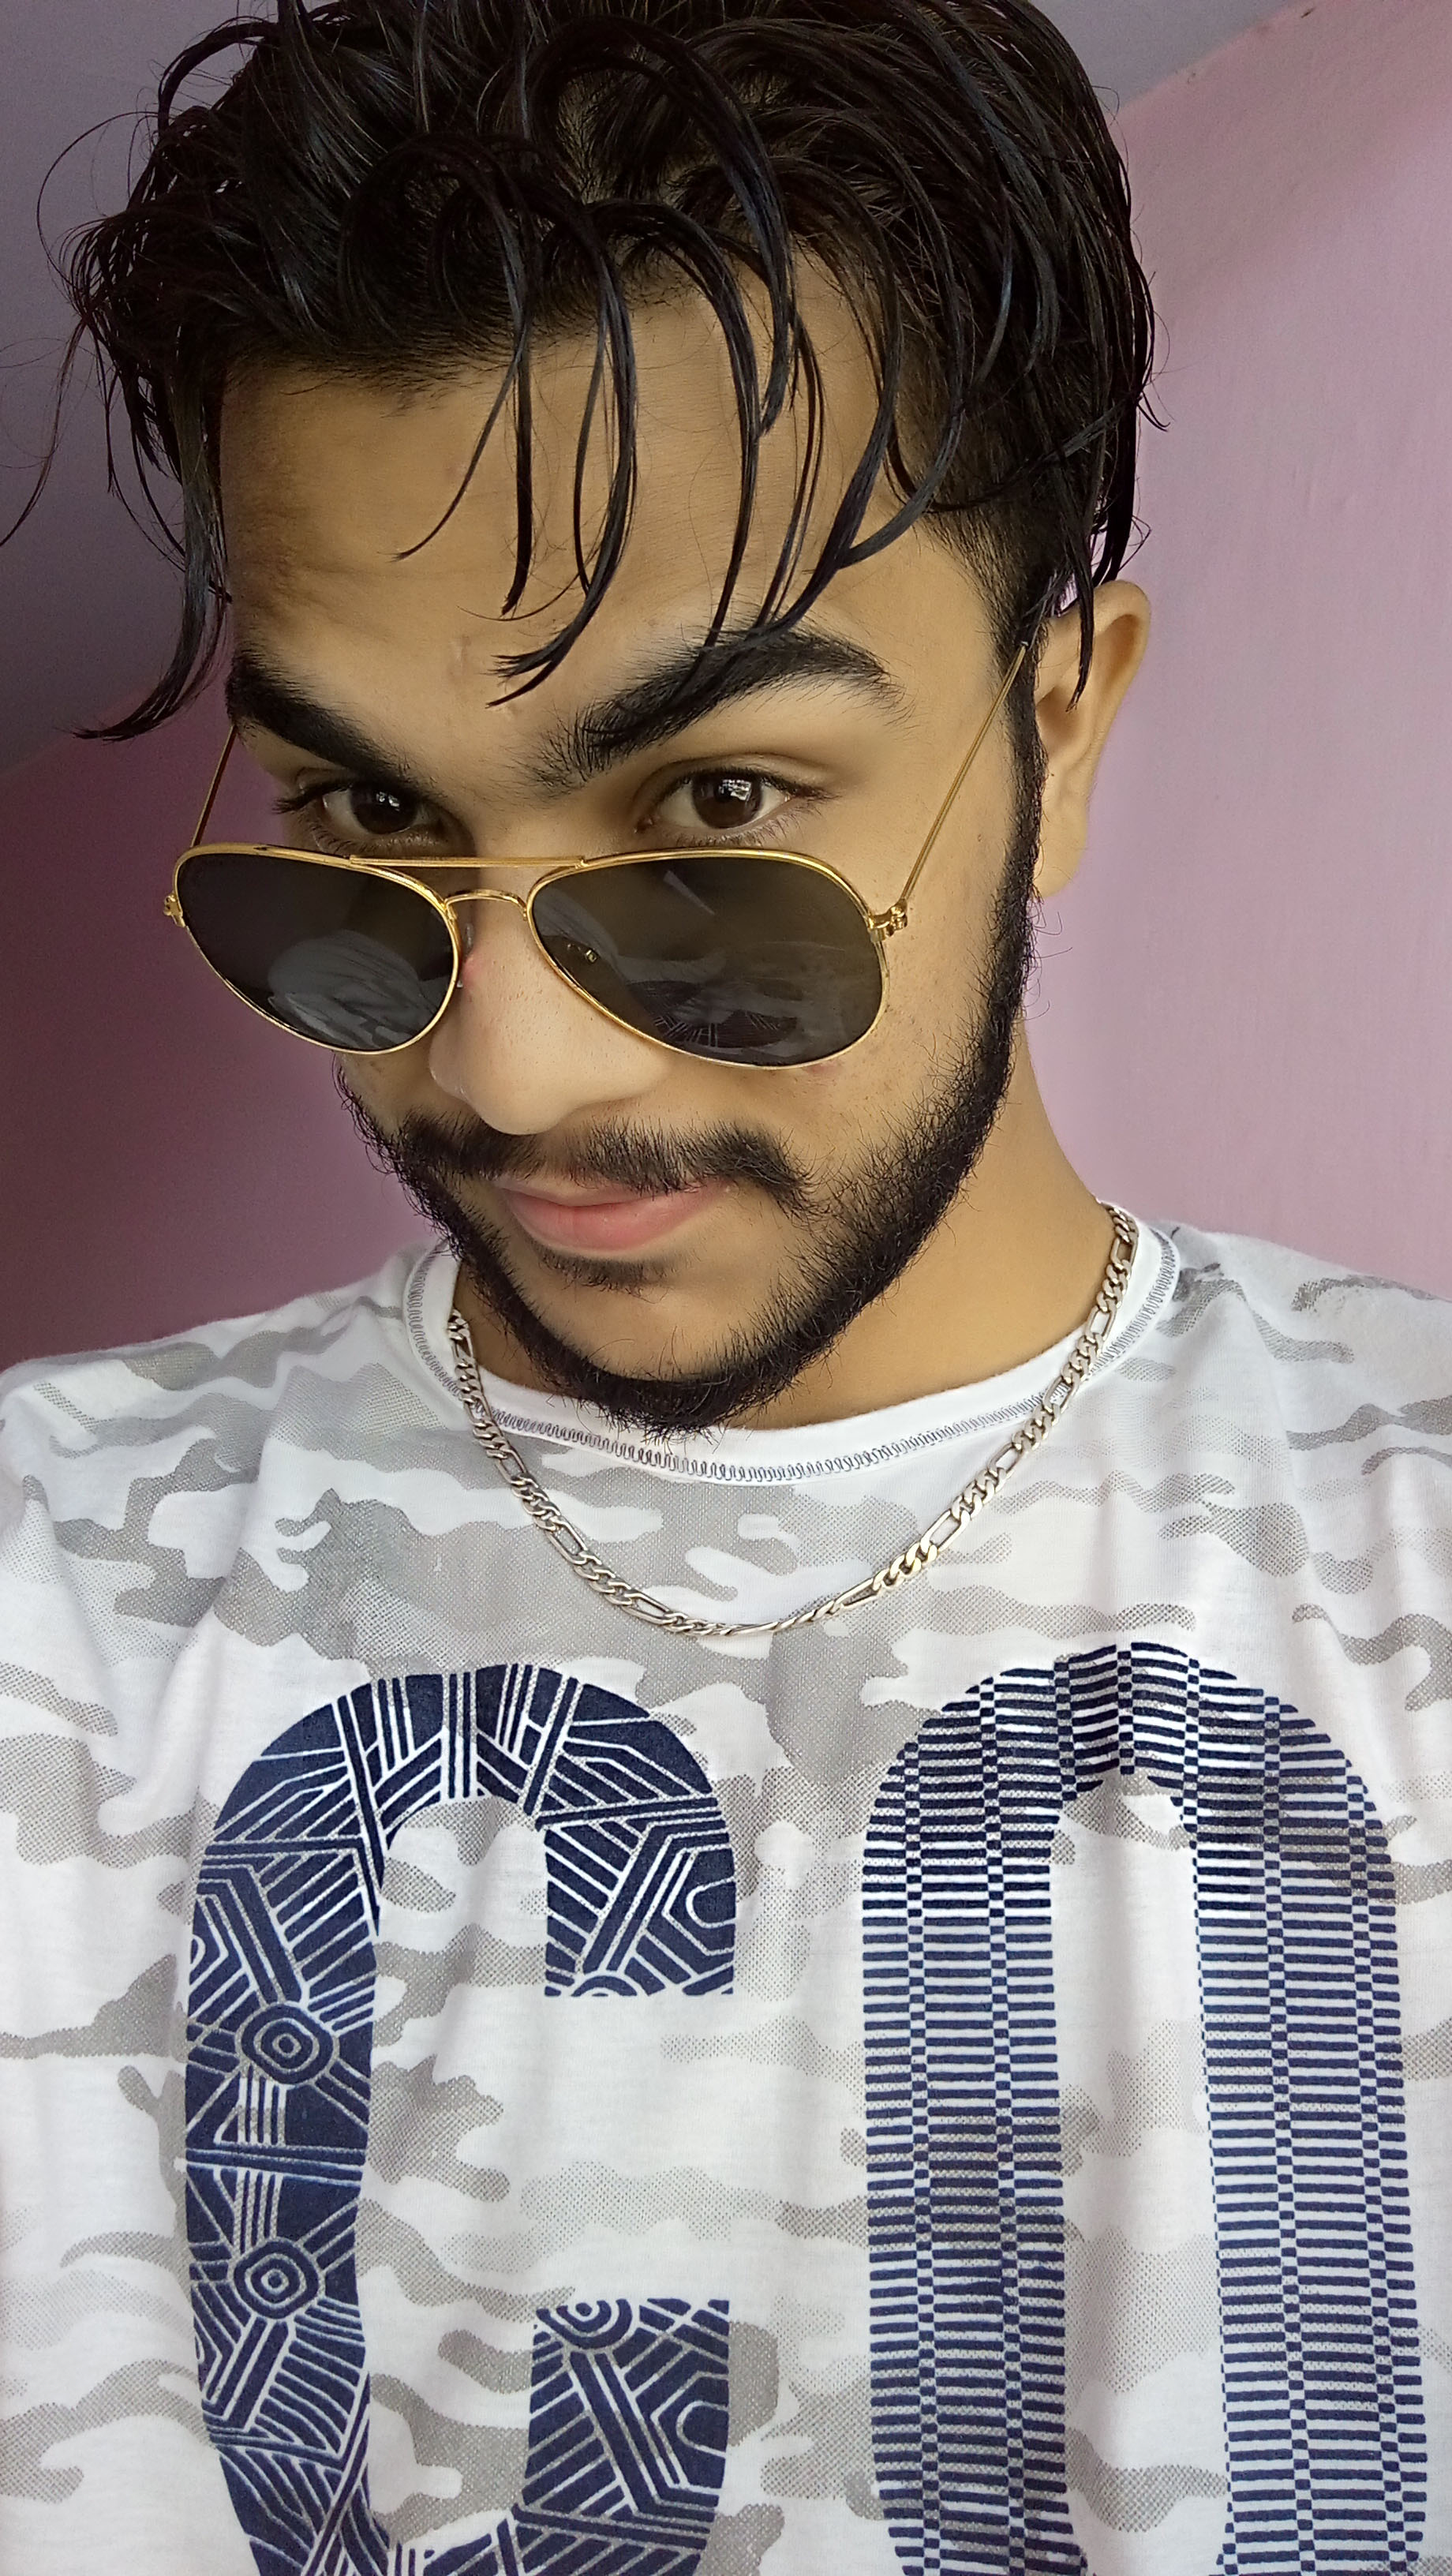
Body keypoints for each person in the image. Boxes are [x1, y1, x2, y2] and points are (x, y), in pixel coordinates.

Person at [2, 1, 1447, 2567]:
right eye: (367, 823)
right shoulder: (44, 1585)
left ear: (1060, 725)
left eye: (720, 807)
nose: (516, 1067)